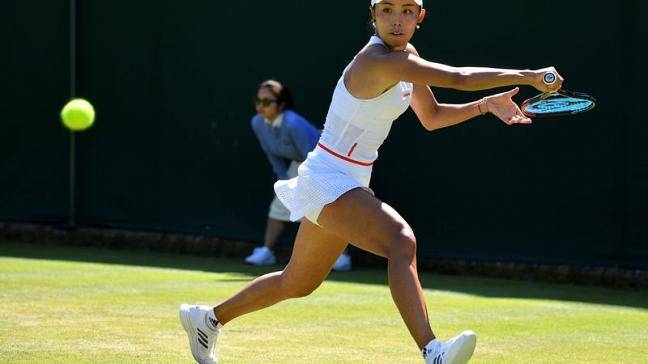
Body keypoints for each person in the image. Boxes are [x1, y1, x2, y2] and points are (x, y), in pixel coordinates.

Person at [180, 0, 563, 362]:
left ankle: (207, 320)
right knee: (401, 241)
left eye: (406, 11)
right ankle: (433, 351)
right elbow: (457, 77)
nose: (397, 19)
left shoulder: (406, 61)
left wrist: (484, 106)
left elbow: (432, 116)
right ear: (374, 16)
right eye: (387, 10)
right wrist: (526, 76)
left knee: (296, 282)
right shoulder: (375, 60)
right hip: (328, 176)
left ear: (420, 17)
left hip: (349, 178)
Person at [245, 80, 352, 271]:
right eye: (258, 100)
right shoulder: (257, 123)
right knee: (280, 203)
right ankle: (267, 251)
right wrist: (282, 182)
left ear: (281, 104)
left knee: (325, 209)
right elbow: (273, 156)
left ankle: (341, 257)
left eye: (267, 102)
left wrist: (311, 187)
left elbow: (310, 155)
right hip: (301, 162)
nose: (261, 106)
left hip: (325, 161)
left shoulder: (293, 123)